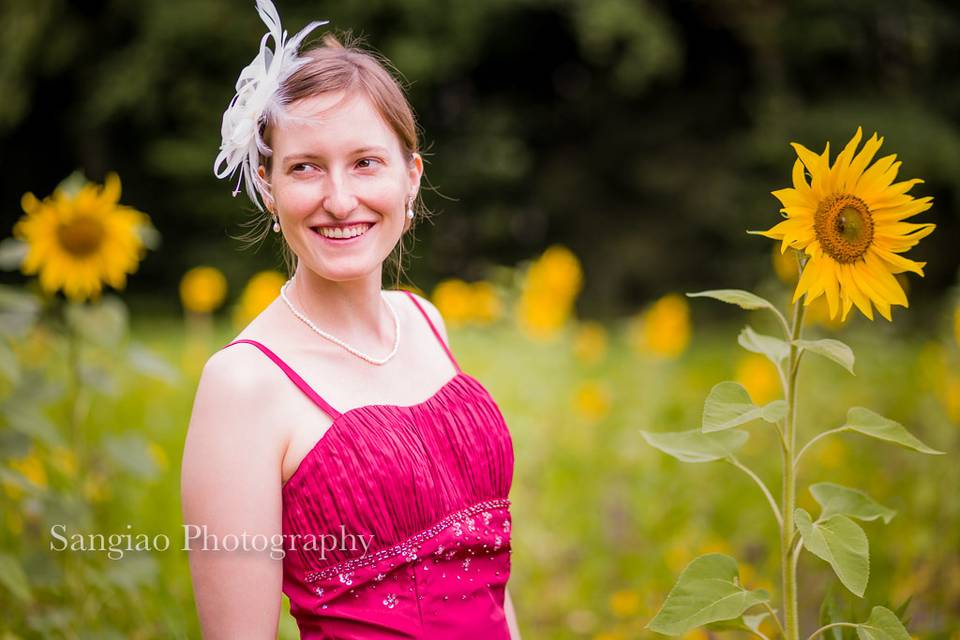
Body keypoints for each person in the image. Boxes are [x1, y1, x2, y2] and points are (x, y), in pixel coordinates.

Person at [180, 1, 520, 638]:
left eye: (366, 161)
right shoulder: (243, 385)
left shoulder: (425, 321)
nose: (340, 200)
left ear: (410, 178)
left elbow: (491, 575)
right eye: (305, 167)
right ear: (269, 187)